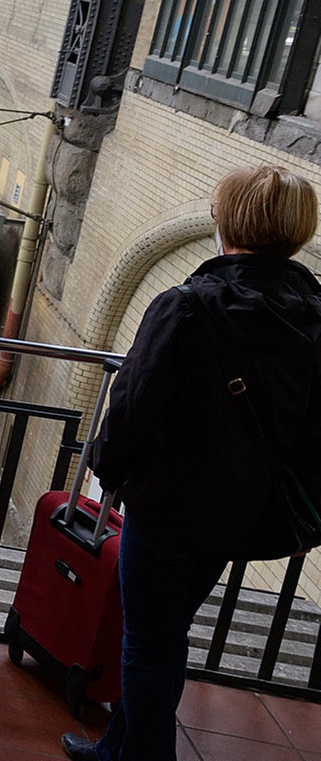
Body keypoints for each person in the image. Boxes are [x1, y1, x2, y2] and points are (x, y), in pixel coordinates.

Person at [64, 166, 321, 761]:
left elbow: (131, 405)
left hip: (167, 510)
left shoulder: (186, 306)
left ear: (229, 223)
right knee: (164, 635)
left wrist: (110, 471)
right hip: (243, 514)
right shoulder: (313, 320)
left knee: (146, 643)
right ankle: (120, 747)